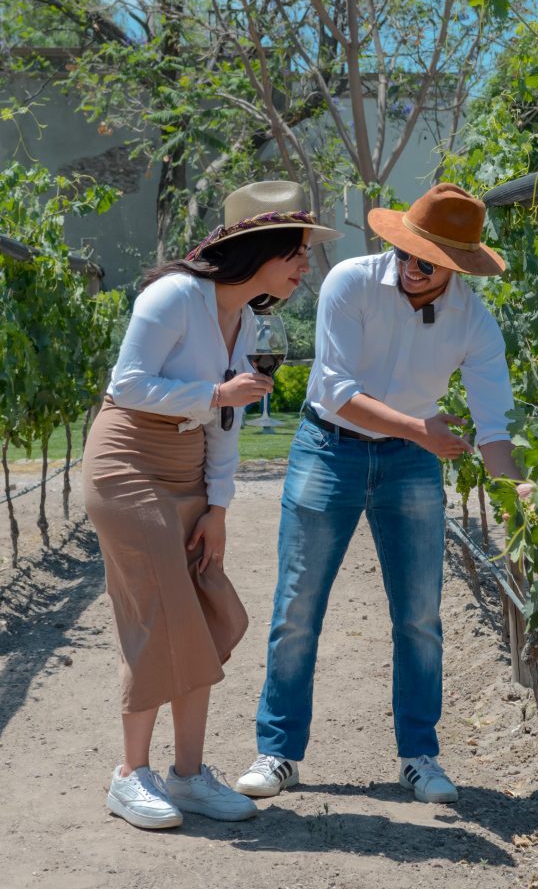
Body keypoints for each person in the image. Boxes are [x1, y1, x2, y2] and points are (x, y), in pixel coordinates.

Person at [236, 182, 529, 805]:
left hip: (410, 464)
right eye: (406, 251)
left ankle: (419, 756)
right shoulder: (350, 282)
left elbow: (495, 425)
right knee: (296, 609)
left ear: (457, 265)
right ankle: (278, 752)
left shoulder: (474, 321)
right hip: (329, 448)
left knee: (419, 617)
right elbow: (335, 391)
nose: (413, 266)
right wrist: (420, 430)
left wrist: (517, 493)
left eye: (429, 260)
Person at [82, 180, 340, 831]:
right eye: (296, 254)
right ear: (260, 249)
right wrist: (217, 394)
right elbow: (128, 384)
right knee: (159, 613)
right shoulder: (173, 296)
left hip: (188, 469)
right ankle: (129, 775)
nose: (303, 267)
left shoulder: (245, 319)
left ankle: (189, 775)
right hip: (128, 462)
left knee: (197, 610)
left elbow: (226, 425)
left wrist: (218, 509)